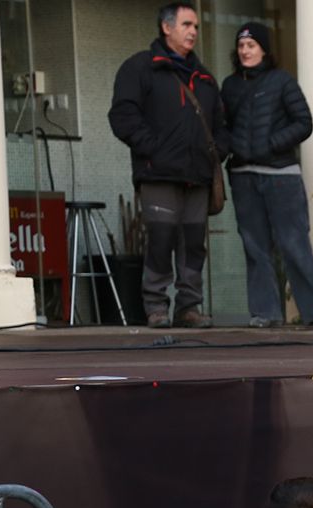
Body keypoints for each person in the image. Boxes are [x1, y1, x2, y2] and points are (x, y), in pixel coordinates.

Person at [109, 3, 225, 329]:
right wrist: (154, 150)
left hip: (197, 177)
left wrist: (217, 152)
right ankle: (156, 307)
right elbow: (122, 117)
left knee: (193, 246)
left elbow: (221, 126)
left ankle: (188, 308)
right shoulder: (139, 68)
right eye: (187, 25)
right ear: (166, 27)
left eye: (197, 27)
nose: (193, 32)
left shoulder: (204, 78)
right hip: (158, 174)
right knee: (160, 240)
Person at [219, 22, 313, 329]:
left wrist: (270, 145)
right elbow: (222, 127)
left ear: (264, 49)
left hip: (281, 176)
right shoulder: (230, 86)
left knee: (294, 243)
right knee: (255, 247)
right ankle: (266, 313)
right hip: (244, 177)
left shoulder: (282, 81)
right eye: (242, 46)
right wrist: (232, 148)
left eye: (252, 45)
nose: (245, 51)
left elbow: (304, 122)